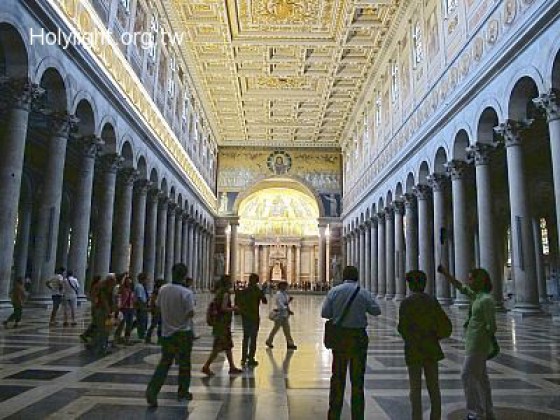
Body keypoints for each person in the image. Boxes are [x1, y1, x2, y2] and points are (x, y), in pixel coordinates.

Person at [438, 265, 497, 420]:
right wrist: (446, 274)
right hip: (473, 342)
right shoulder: (477, 297)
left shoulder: (486, 300)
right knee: (482, 379)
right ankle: (488, 411)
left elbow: (492, 326)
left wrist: (485, 341)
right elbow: (461, 287)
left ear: (480, 280)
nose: (469, 281)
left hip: (478, 344)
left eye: (471, 279)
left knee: (467, 375)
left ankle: (475, 413)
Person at [321, 265, 381, 420]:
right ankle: (358, 416)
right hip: (358, 338)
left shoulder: (334, 291)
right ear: (357, 276)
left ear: (343, 276)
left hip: (340, 337)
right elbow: (376, 310)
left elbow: (325, 313)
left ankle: (334, 415)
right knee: (357, 380)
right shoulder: (363, 292)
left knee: (338, 377)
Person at [398, 270, 452, 420]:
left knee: (415, 389)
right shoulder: (432, 301)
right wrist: (435, 337)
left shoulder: (406, 303)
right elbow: (445, 325)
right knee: (434, 387)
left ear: (410, 285)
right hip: (431, 348)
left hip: (414, 350)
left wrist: (411, 338)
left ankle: (416, 417)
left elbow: (402, 327)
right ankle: (436, 417)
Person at [146, 263, 195, 407]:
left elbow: (158, 307)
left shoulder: (163, 289)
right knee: (184, 364)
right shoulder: (186, 293)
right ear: (184, 275)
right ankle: (183, 391)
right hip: (183, 333)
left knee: (164, 363)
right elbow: (190, 313)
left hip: (167, 333)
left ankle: (152, 391)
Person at [201, 275, 243, 376]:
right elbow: (223, 308)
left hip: (220, 323)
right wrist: (234, 308)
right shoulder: (225, 294)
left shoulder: (219, 292)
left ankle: (232, 367)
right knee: (217, 347)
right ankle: (206, 366)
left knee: (228, 346)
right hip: (222, 324)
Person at [237, 273, 268, 367]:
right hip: (254, 317)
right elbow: (265, 301)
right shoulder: (257, 291)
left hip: (246, 316)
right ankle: (251, 358)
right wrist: (262, 291)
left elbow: (239, 302)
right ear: (257, 281)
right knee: (253, 338)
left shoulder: (244, 290)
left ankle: (243, 358)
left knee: (246, 337)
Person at [265, 280, 297, 350]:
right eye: (284, 285)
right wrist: (286, 309)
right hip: (279, 315)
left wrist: (289, 307)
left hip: (284, 315)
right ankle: (269, 341)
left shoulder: (285, 294)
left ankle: (290, 344)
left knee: (287, 330)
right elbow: (280, 305)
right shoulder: (279, 294)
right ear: (280, 286)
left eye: (286, 285)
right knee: (275, 329)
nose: (285, 286)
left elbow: (286, 303)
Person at [145, 278, 164, 344]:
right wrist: (153, 308)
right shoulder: (156, 291)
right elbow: (153, 301)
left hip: (160, 309)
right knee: (154, 324)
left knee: (160, 325)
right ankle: (148, 337)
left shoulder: (159, 291)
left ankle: (159, 339)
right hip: (157, 310)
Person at [134, 273, 150, 340]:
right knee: (141, 320)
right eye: (146, 279)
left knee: (144, 320)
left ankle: (142, 333)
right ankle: (141, 335)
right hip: (141, 305)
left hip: (144, 304)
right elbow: (139, 298)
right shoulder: (139, 287)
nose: (147, 281)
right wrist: (142, 307)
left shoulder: (143, 286)